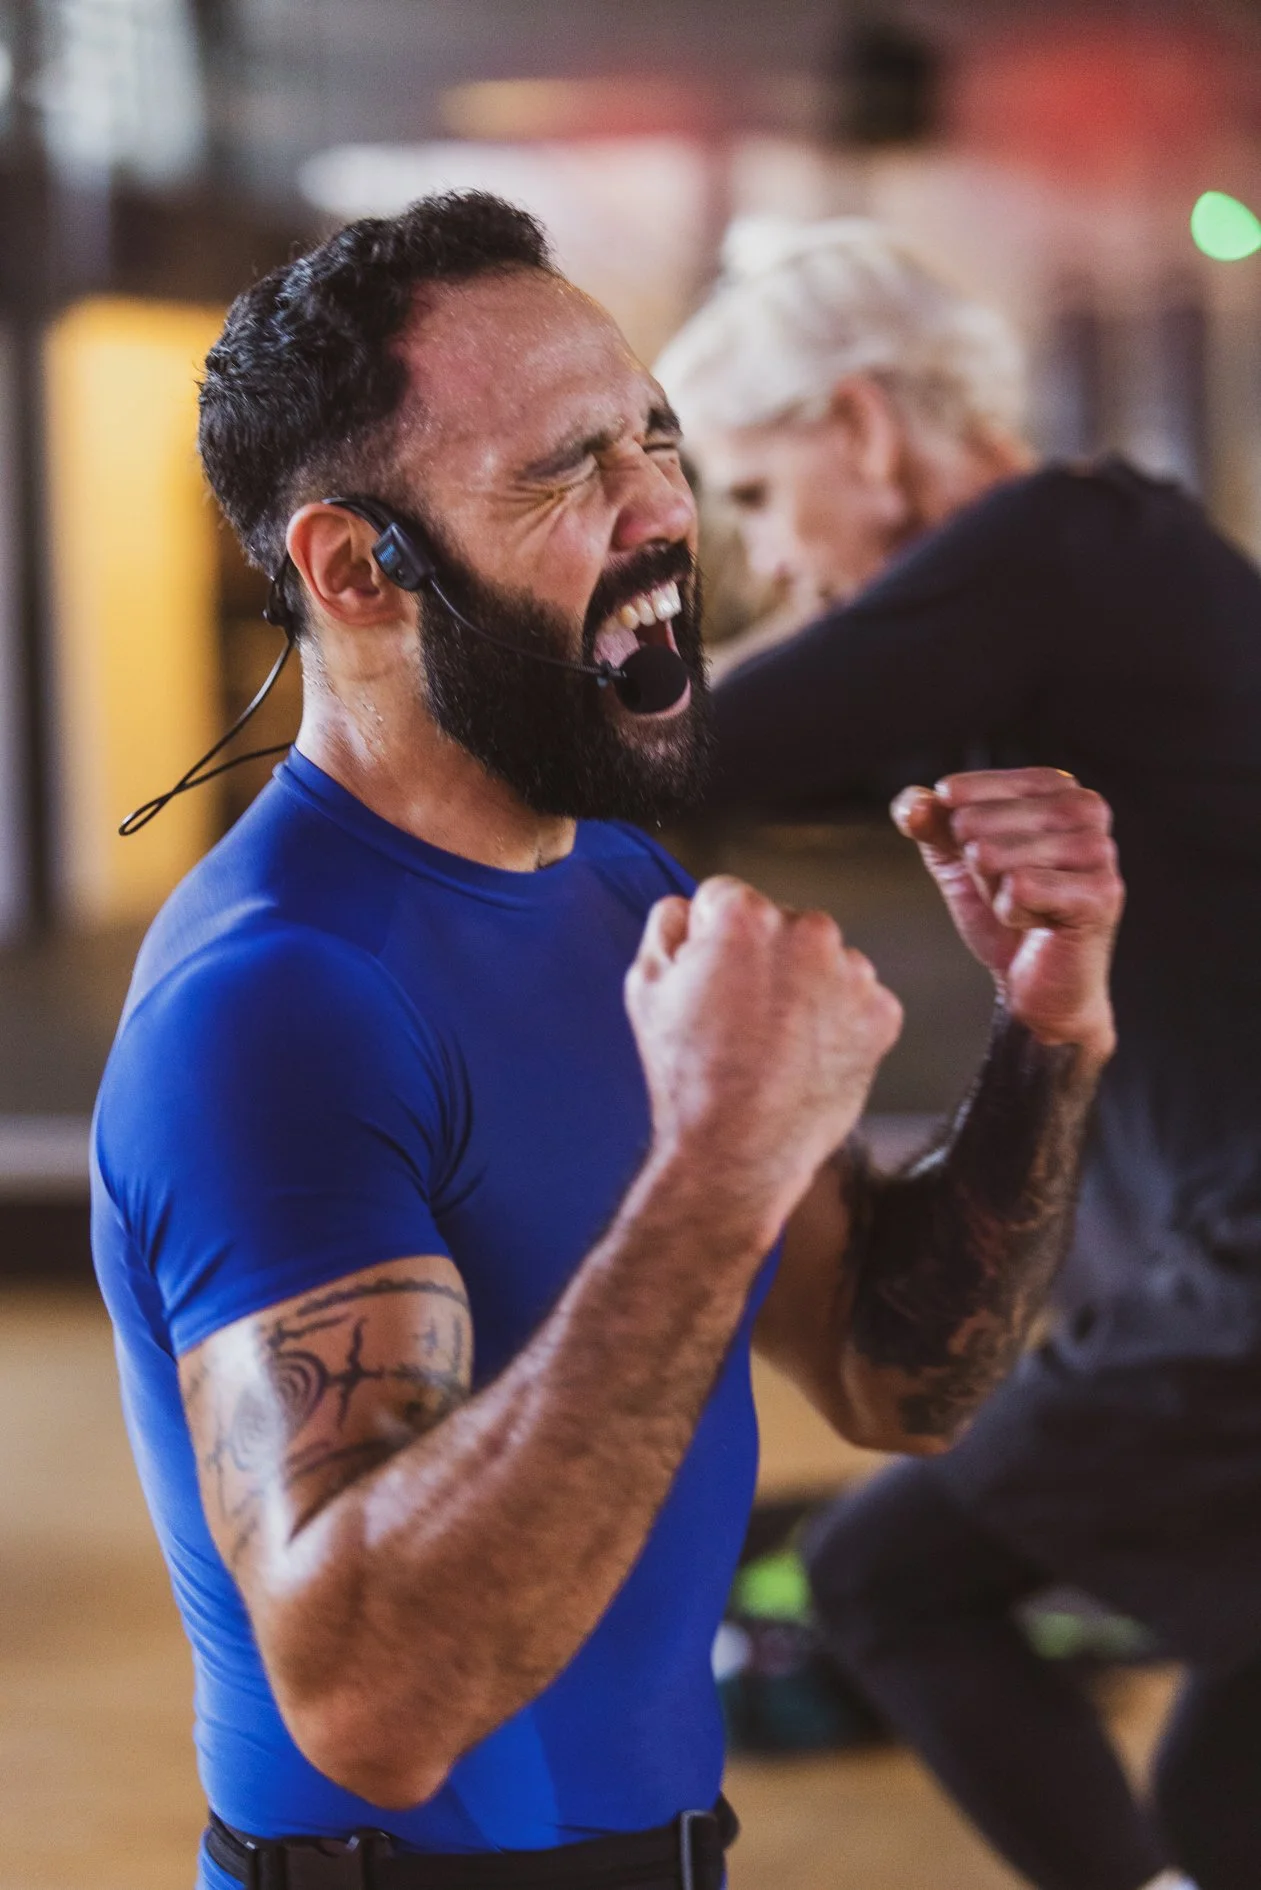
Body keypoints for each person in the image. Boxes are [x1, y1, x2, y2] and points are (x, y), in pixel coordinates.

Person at [91, 193, 1122, 1890]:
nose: (665, 507)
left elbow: (895, 1373)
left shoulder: (622, 882)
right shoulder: (270, 1005)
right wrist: (717, 1167)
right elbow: (373, 1696)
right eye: (566, 472)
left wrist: (1046, 1022)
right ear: (358, 567)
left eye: (655, 434)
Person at [657, 216, 1261, 1890]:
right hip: (1206, 1272)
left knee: (886, 1582)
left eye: (766, 496)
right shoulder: (1074, 598)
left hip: (1245, 1278)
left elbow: (697, 747)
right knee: (1223, 1800)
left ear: (862, 420)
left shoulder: (1065, 542)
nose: (773, 566)